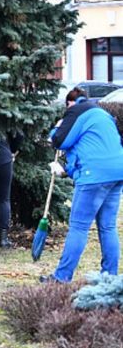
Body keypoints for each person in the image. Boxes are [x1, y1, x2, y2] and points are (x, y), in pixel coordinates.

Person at [42, 87, 123, 283]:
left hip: (94, 176)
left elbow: (59, 140)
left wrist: (58, 126)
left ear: (71, 102)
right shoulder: (104, 115)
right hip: (117, 172)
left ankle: (61, 277)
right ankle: (109, 277)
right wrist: (66, 171)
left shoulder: (77, 111)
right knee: (108, 226)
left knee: (78, 227)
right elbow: (88, 148)